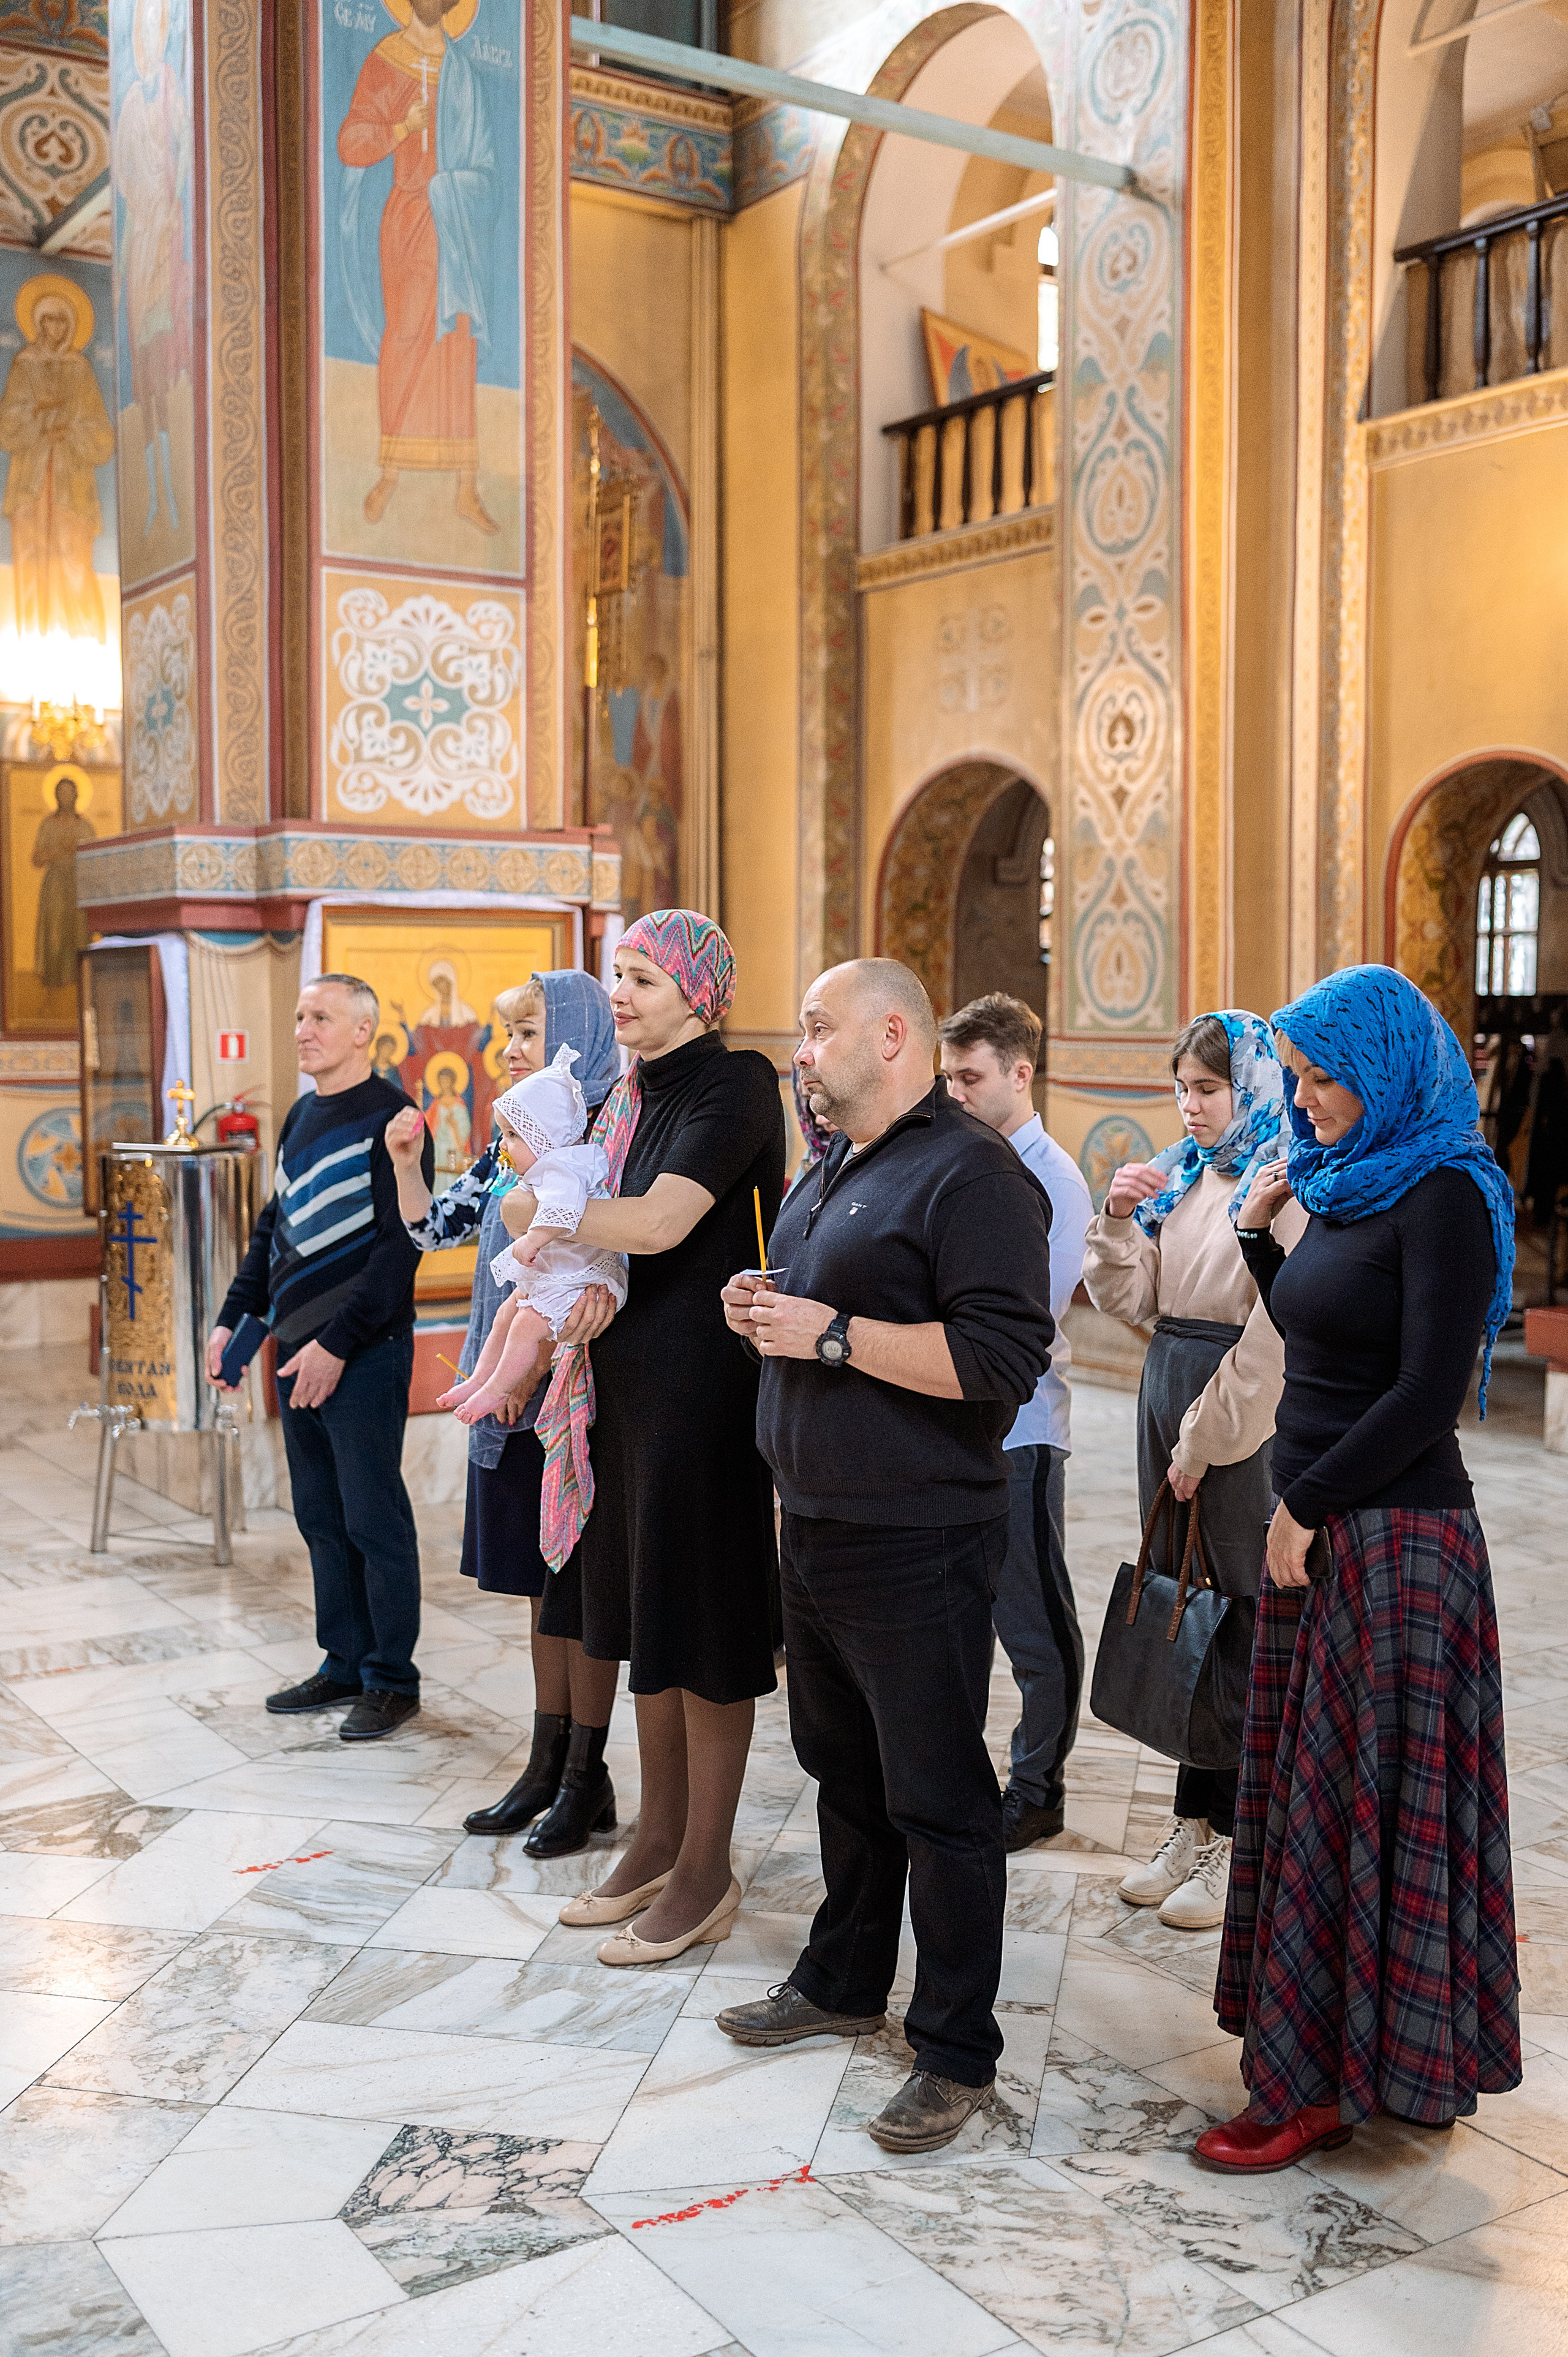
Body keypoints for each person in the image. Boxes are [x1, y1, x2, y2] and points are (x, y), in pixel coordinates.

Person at [716, 960, 1056, 2155]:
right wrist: (767, 1306)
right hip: (813, 1522)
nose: (800, 1049)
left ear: (890, 1033)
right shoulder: (832, 1161)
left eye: (816, 1028)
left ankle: (956, 2048)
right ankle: (844, 1976)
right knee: (839, 1769)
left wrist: (836, 1333)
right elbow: (820, 1316)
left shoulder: (973, 1173)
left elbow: (996, 1365)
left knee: (936, 1797)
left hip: (916, 1536)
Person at [1201, 964, 1521, 2174]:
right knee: (1323, 1810)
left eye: (1325, 1074)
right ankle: (1380, 2057)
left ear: (1385, 1073)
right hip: (1332, 1530)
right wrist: (1252, 1235)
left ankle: (1319, 2086)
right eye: (1293, 1071)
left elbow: (1425, 1394)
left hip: (1390, 1545)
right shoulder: (1346, 1184)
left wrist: (1304, 1501)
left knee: (1349, 1815)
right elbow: (1330, 1340)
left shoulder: (1440, 1190)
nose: (1304, 1093)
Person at [498, 910, 785, 1941]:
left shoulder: (736, 1081)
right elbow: (612, 1241)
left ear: (700, 994)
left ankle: (706, 1867)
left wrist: (544, 1217)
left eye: (645, 980)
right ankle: (659, 1836)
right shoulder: (627, 1090)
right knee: (647, 1619)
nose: (620, 994)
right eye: (617, 975)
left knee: (703, 1627)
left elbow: (664, 1221)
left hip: (703, 1395)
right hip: (623, 1390)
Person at [1084, 1012, 1305, 1929]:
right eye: (1180, 1089)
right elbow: (1129, 1299)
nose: (1190, 1106)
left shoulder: (1281, 1180)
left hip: (1231, 1412)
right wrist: (1119, 1218)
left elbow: (1271, 1336)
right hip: (1170, 1382)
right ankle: (1189, 1823)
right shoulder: (1187, 1172)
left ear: (1247, 1085)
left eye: (1207, 1089)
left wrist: (1202, 1440)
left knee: (1241, 1618)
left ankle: (1235, 1842)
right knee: (1187, 1603)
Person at [394, 970, 621, 1843]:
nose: (512, 1052)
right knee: (537, 1590)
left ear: (577, 1032)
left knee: (579, 1592)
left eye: (529, 1033)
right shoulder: (517, 1139)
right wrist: (409, 1165)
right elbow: (432, 1230)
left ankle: (585, 1776)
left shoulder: (608, 1137)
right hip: (512, 1398)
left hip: (573, 1398)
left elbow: (623, 1258)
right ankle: (544, 1764)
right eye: (510, 1037)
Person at [209, 973, 431, 1740]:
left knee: (374, 1519)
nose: (303, 1028)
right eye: (300, 1014)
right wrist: (235, 1316)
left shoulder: (394, 1118)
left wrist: (336, 1345)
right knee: (320, 1518)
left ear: (364, 1030)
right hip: (296, 1350)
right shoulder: (301, 1114)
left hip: (364, 1352)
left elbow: (400, 1247)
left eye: (321, 1017)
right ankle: (343, 1660)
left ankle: (391, 1679)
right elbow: (276, 1228)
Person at [938, 992, 1093, 1849]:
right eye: (948, 1077)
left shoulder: (1053, 1180)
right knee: (964, 1617)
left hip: (1022, 1431)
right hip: (955, 1428)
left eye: (971, 1077)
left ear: (1020, 1073)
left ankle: (1039, 1787)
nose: (955, 1093)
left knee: (1034, 1624)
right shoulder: (964, 1160)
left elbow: (1022, 1320)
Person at [337, 0, 498, 535]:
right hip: (407, 220)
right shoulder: (386, 60)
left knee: (458, 340)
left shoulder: (465, 73)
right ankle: (389, 471)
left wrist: (461, 192)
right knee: (406, 334)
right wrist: (401, 129)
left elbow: (487, 165)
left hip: (455, 224)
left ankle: (467, 489)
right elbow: (351, 144)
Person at [426, 1049, 627, 1430]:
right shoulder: (545, 1166)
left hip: (585, 1280)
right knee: (506, 1315)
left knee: (523, 1325)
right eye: (504, 1134)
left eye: (514, 1136)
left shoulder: (563, 1168)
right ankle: (479, 1380)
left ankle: (499, 1388)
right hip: (562, 1274)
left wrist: (533, 1239)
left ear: (546, 1137)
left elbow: (563, 1211)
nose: (504, 1146)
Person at [0, 279, 115, 644]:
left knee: (75, 560)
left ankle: (85, 646)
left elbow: (101, 435)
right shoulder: (24, 365)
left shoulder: (80, 370)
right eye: (48, 320)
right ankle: (28, 645)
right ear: (37, 323)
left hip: (71, 484)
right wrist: (37, 413)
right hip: (30, 485)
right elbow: (7, 426)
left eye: (62, 321)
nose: (55, 328)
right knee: (30, 563)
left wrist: (72, 428)